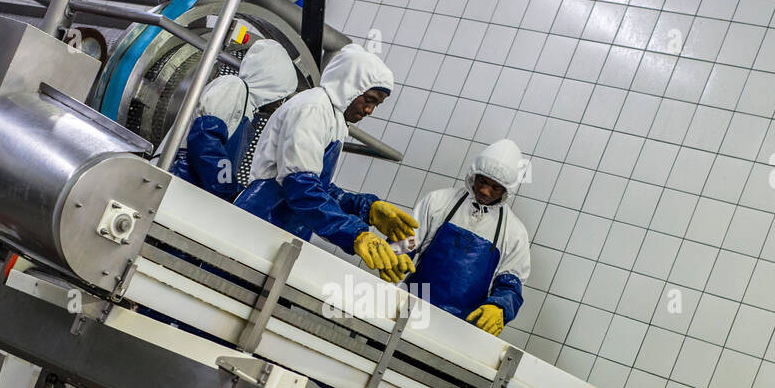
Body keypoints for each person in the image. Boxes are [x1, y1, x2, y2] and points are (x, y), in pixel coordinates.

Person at [235, 43, 418, 282]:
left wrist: (365, 208)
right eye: (369, 99)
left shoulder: (334, 119)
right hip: (260, 219)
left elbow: (318, 186)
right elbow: (301, 189)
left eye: (376, 105)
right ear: (351, 85)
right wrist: (355, 234)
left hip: (282, 225)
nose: (370, 110)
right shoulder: (312, 108)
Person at [402, 139, 531, 336]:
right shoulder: (438, 201)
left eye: (495, 187)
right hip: (409, 311)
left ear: (507, 191)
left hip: (461, 332)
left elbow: (510, 284)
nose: (484, 191)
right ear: (474, 174)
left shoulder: (514, 233)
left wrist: (500, 306)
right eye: (483, 181)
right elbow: (407, 241)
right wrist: (397, 253)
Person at [169, 39, 297, 200]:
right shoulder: (233, 86)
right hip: (181, 176)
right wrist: (228, 189)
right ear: (271, 87)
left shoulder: (247, 108)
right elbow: (204, 137)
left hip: (196, 185)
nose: (279, 104)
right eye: (281, 97)